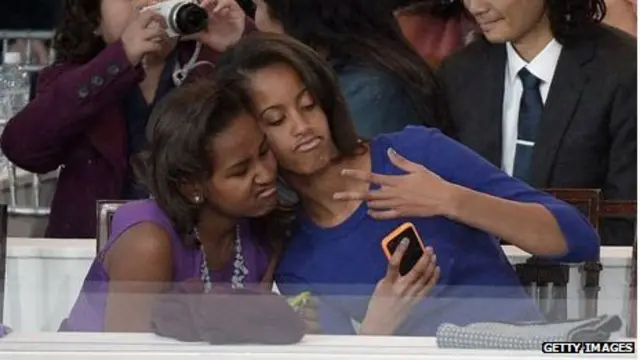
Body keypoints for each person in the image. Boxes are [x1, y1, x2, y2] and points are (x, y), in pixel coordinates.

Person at [213, 33, 600, 336]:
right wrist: (378, 325)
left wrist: (451, 200)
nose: (302, 127)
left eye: (308, 104)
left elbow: (578, 239)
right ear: (254, 138)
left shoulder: (417, 152)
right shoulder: (298, 257)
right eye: (276, 119)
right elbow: (345, 351)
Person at [0, 0, 252, 239]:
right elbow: (22, 147)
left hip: (195, 258)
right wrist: (120, 58)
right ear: (94, 20)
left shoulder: (212, 70)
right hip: (92, 260)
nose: (145, 6)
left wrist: (245, 41)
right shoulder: (75, 81)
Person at [60, 80, 285, 332]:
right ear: (192, 186)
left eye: (265, 152)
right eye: (241, 171)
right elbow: (129, 355)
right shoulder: (148, 244)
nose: (266, 174)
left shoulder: (262, 229)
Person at [438, 0, 637, 246]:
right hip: (481, 276)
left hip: (589, 274)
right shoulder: (459, 73)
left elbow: (626, 222)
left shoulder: (624, 71)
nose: (476, 7)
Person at [252, 0, 454, 138]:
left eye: (258, 5)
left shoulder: (369, 91)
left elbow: (358, 184)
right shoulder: (364, 65)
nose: (257, 21)